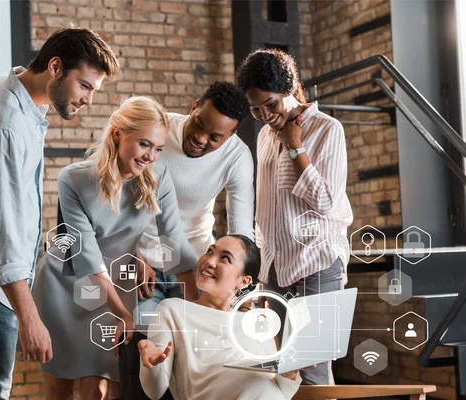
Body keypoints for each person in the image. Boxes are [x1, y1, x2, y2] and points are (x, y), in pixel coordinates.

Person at [0, 28, 119, 399]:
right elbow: (2, 227)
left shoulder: (16, 95)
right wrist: (30, 318)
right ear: (56, 67)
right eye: (85, 86)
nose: (89, 100)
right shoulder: (7, 124)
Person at [32, 96, 199, 400]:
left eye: (158, 148)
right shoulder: (74, 178)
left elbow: (174, 241)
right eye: (145, 144)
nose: (151, 156)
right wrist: (122, 312)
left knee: (97, 390)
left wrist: (199, 304)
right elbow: (86, 252)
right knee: (59, 391)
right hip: (66, 284)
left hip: (116, 282)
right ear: (118, 134)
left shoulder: (159, 178)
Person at [235, 48, 353, 385]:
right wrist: (260, 270)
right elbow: (267, 207)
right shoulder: (263, 135)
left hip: (317, 262)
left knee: (312, 368)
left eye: (271, 104)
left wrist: (295, 147)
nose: (265, 115)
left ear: (289, 87)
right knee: (281, 367)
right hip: (276, 267)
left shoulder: (328, 130)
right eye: (256, 109)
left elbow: (327, 203)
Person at [137, 82, 254, 316]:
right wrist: (132, 254)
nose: (200, 138)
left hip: (195, 264)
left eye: (214, 137)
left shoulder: (236, 157)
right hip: (142, 261)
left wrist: (240, 292)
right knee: (143, 337)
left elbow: (241, 231)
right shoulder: (157, 131)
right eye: (198, 123)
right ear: (194, 107)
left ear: (231, 136)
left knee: (195, 340)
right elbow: (115, 199)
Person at [138, 235, 302, 400]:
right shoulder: (173, 310)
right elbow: (155, 391)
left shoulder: (258, 322)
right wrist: (152, 364)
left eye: (225, 258)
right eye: (210, 251)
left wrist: (291, 371)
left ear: (244, 281)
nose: (209, 261)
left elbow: (281, 391)